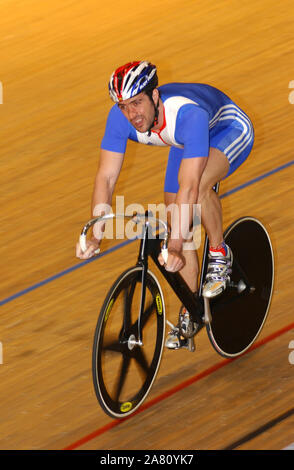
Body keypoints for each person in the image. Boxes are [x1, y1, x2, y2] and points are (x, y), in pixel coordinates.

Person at [76, 60, 254, 350]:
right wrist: (95, 232)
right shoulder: (120, 118)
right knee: (176, 222)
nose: (131, 114)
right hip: (184, 142)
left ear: (154, 96)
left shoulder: (187, 115)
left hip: (227, 128)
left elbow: (190, 186)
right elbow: (106, 178)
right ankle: (192, 308)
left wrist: (173, 247)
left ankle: (220, 252)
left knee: (196, 193)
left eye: (137, 103)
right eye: (123, 106)